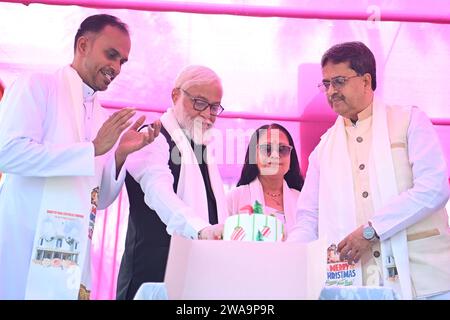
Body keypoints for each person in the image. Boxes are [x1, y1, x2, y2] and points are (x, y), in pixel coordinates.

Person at [0, 14, 160, 300]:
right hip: (23, 244)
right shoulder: (37, 86)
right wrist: (92, 150)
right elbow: (7, 153)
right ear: (83, 45)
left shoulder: (102, 117)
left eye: (122, 61)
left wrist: (119, 155)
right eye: (111, 55)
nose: (116, 68)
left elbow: (99, 199)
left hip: (70, 258)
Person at [288, 41, 450, 299]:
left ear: (365, 81)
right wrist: (289, 257)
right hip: (359, 285)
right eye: (326, 84)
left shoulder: (409, 121)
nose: (331, 91)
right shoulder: (324, 148)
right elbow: (309, 217)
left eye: (339, 81)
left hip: (426, 281)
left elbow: (434, 188)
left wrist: (373, 229)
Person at [117, 65, 227, 300]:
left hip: (197, 280)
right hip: (151, 278)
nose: (208, 113)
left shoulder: (203, 149)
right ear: (176, 95)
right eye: (199, 102)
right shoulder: (152, 138)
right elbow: (159, 192)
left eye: (215, 107)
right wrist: (200, 231)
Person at [226, 123, 304, 233]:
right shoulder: (235, 198)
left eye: (282, 149)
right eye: (267, 148)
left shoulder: (303, 200)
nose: (275, 155)